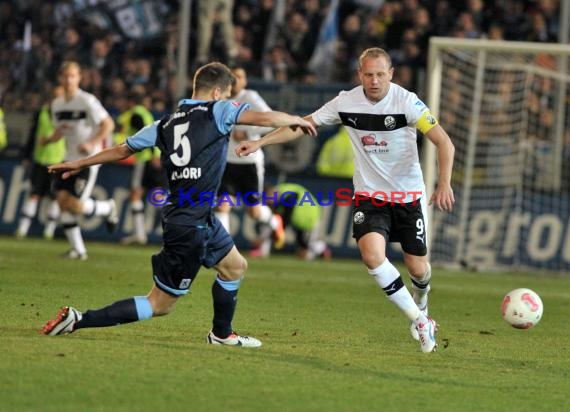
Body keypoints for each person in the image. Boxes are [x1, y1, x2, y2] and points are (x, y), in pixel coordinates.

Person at [40, 62, 317, 347]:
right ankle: (78, 319)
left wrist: (79, 163)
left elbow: (122, 149)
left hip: (196, 217)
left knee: (235, 266)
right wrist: (294, 118)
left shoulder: (165, 122)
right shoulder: (217, 110)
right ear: (218, 92)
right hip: (189, 225)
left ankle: (222, 334)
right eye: (226, 96)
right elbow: (262, 118)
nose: (228, 102)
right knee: (159, 304)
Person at [236, 48, 455, 353]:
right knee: (372, 256)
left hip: (408, 196)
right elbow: (302, 124)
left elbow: (444, 142)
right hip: (369, 195)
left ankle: (422, 301)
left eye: (380, 74)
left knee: (418, 269)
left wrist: (443, 183)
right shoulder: (346, 102)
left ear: (391, 74)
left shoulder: (407, 102)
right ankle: (419, 320)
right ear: (359, 75)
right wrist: (260, 141)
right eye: (368, 74)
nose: (375, 80)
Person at [41, 61, 118, 260]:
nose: (68, 80)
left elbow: (108, 124)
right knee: (62, 200)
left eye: (72, 76)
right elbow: (62, 129)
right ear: (60, 78)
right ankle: (78, 250)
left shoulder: (87, 101)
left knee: (75, 203)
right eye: (65, 76)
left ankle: (107, 208)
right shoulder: (57, 104)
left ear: (79, 78)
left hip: (88, 160)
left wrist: (91, 142)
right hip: (68, 159)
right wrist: (49, 139)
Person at [214, 66, 285, 252]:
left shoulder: (250, 97)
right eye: (233, 76)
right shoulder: (219, 99)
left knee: (253, 212)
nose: (236, 80)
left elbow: (271, 121)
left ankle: (273, 220)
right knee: (222, 206)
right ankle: (225, 249)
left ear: (245, 81)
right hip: (227, 162)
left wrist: (248, 131)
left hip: (249, 163)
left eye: (240, 76)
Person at [15, 86, 66, 240]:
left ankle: (48, 232)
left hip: (58, 161)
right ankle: (22, 230)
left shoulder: (66, 115)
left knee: (54, 197)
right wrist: (26, 155)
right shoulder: (41, 113)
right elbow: (32, 134)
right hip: (40, 159)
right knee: (34, 194)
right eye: (54, 96)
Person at [116, 89, 164, 245]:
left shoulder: (135, 115)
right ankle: (141, 234)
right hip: (152, 158)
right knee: (158, 196)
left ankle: (140, 234)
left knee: (136, 194)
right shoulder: (145, 113)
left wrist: (152, 155)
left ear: (130, 102)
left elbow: (146, 137)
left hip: (145, 159)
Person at [258, 182, 331, 260]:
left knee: (307, 251)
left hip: (309, 219)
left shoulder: (289, 196)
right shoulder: (281, 193)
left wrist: (273, 236)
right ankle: (263, 249)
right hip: (299, 220)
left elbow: (285, 220)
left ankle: (321, 247)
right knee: (303, 248)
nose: (269, 202)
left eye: (269, 199)